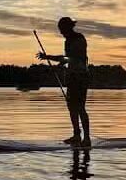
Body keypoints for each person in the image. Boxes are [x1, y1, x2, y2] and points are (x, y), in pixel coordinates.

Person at [37, 17, 91, 147]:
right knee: (71, 107)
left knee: (80, 107)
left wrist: (48, 57)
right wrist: (58, 66)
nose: (61, 32)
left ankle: (87, 138)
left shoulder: (79, 39)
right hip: (72, 76)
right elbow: (66, 59)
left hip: (81, 77)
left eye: (62, 29)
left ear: (68, 27)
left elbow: (72, 58)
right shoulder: (67, 41)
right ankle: (77, 135)